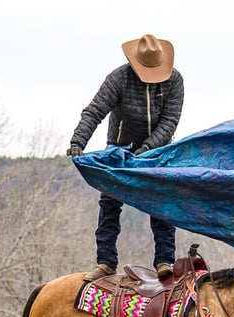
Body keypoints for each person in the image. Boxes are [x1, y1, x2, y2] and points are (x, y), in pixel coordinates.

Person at [67, 34, 184, 281]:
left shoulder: (174, 81)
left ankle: (164, 260)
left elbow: (170, 121)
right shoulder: (118, 78)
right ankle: (106, 261)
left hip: (158, 150)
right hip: (120, 147)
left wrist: (147, 149)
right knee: (110, 203)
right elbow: (94, 111)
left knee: (161, 202)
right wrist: (78, 141)